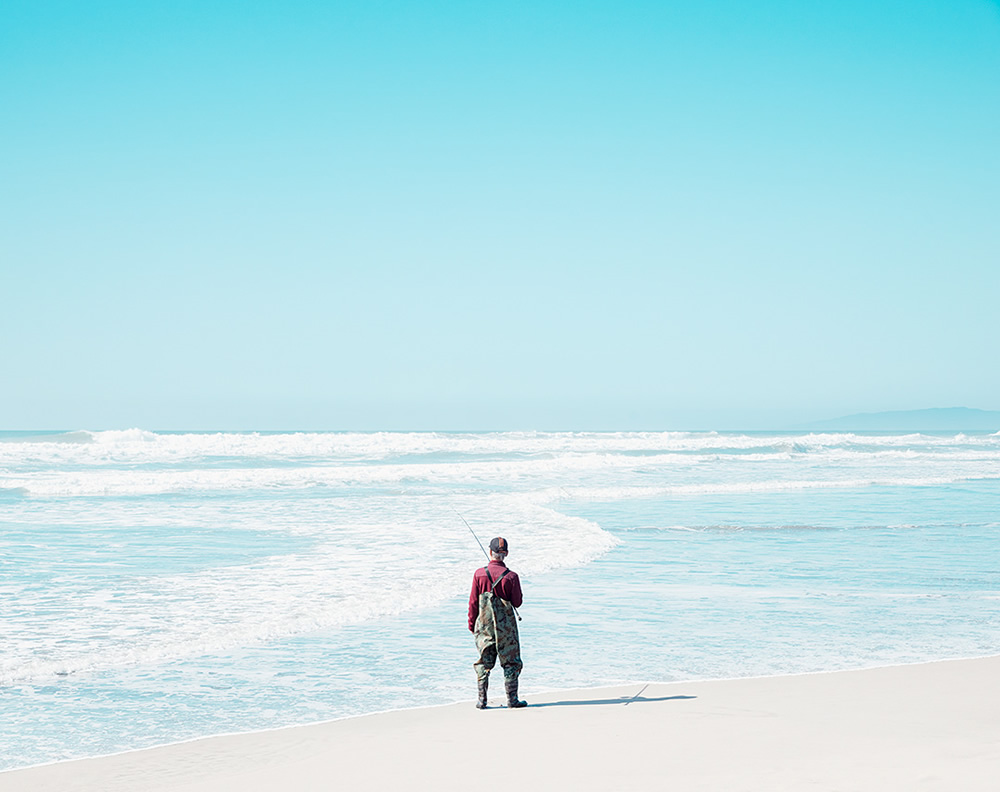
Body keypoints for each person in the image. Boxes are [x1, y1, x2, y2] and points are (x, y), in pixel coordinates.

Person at [468, 536, 527, 709]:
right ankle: (512, 700)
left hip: (484, 626)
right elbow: (517, 602)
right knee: (511, 662)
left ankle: (482, 700)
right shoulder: (512, 577)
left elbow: (472, 603)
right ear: (506, 554)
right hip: (506, 628)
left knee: (484, 661)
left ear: (490, 552)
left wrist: (472, 624)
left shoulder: (479, 574)